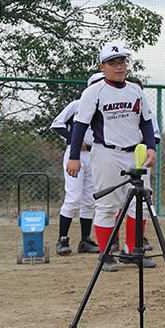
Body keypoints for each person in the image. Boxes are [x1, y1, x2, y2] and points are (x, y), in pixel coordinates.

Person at [66, 44, 158, 272]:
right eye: (113, 63)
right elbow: (80, 126)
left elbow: (146, 121)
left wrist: (151, 147)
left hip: (134, 153)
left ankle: (131, 250)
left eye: (122, 62)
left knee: (141, 204)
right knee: (107, 205)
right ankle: (106, 253)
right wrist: (74, 156)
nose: (119, 67)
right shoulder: (93, 91)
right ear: (102, 66)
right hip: (107, 153)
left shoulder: (136, 91)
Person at [50, 72, 104, 256]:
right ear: (89, 86)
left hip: (94, 154)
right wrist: (74, 138)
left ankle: (85, 240)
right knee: (74, 197)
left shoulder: (103, 109)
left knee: (90, 199)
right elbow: (56, 124)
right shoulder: (77, 105)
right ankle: (62, 239)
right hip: (76, 155)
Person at [125, 75, 160, 254]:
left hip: (141, 157)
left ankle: (137, 239)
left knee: (143, 200)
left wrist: (145, 142)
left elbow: (155, 136)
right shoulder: (120, 111)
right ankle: (116, 239)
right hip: (119, 154)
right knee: (116, 201)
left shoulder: (148, 114)